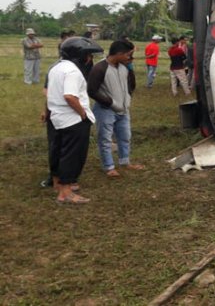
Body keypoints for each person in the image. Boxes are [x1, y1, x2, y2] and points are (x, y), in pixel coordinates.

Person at [46, 37, 103, 204]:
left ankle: (58, 184)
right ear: (81, 55)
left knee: (59, 151)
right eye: (89, 55)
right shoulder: (73, 71)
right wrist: (82, 114)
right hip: (73, 120)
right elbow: (70, 96)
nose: (90, 60)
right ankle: (65, 193)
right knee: (72, 155)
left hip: (58, 118)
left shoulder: (56, 68)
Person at [88, 40, 144, 177]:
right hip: (105, 110)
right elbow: (91, 91)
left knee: (125, 137)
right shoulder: (100, 68)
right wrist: (110, 102)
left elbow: (131, 84)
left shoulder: (124, 66)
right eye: (128, 55)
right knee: (105, 139)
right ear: (119, 53)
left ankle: (125, 162)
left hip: (124, 110)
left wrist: (128, 97)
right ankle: (109, 167)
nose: (130, 58)